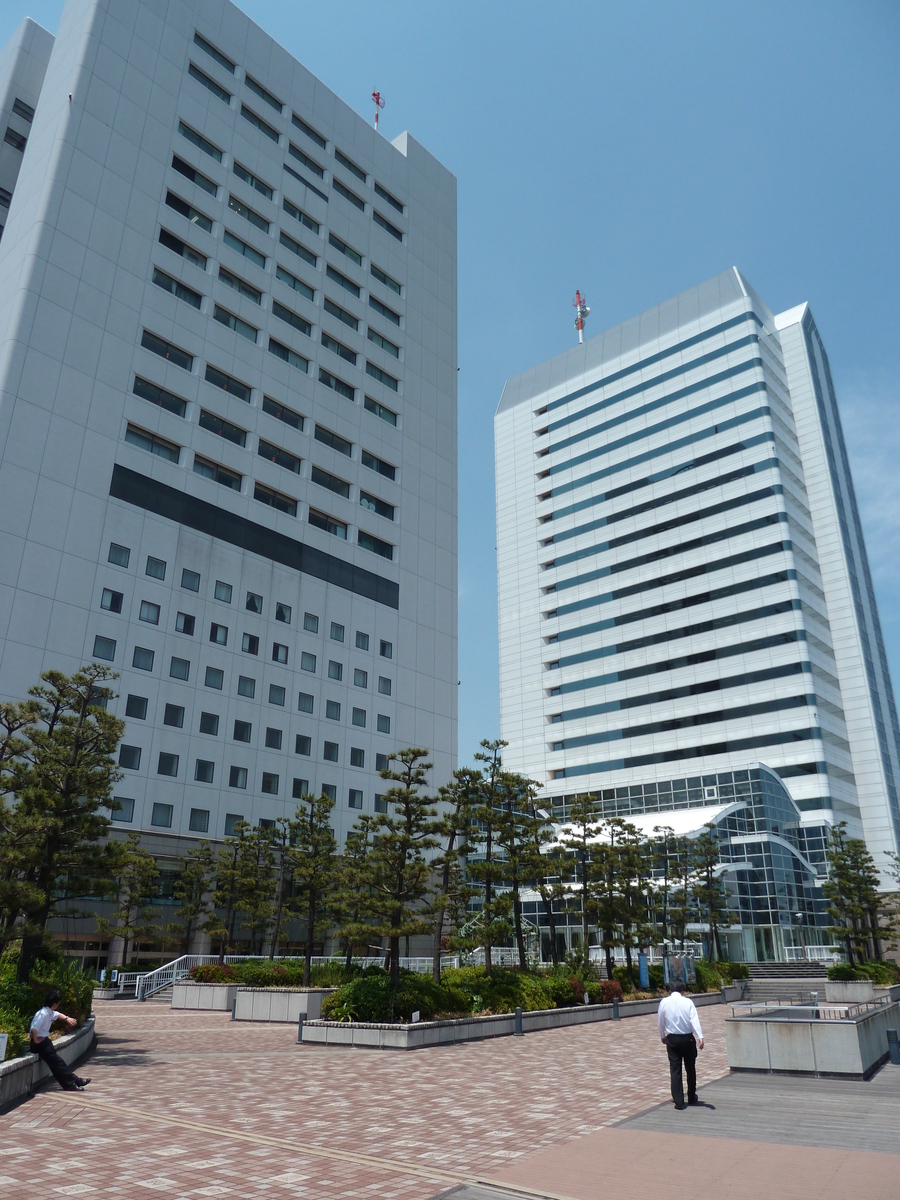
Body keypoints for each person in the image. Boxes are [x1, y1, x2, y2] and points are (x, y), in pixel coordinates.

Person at [29, 990, 90, 1092]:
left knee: (57, 1063)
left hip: (45, 1042)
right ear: (54, 1004)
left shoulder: (49, 1012)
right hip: (40, 1044)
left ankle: (71, 1083)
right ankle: (73, 1082)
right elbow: (33, 1029)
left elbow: (57, 1015)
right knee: (58, 1063)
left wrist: (67, 1018)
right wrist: (36, 1041)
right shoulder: (42, 1014)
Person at [657, 981, 703, 1109]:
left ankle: (678, 1100)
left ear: (670, 990)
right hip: (688, 1038)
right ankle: (692, 1096)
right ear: (682, 990)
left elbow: (660, 1021)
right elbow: (694, 1019)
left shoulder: (664, 1002)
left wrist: (662, 1035)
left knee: (675, 1069)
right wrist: (700, 1036)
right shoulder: (688, 1002)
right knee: (690, 1068)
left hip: (672, 1039)